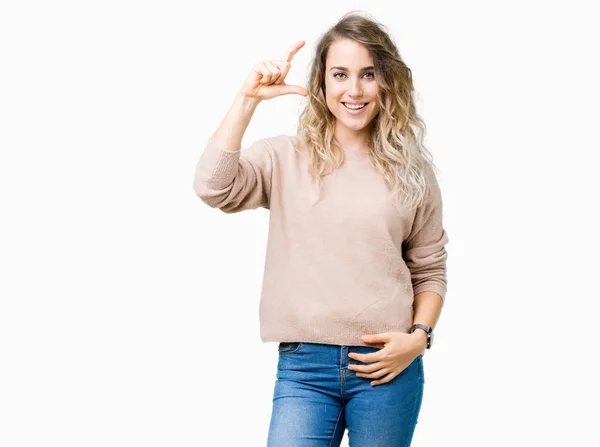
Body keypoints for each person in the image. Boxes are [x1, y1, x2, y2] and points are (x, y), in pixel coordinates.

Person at [193, 11, 449, 447]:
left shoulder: (413, 172)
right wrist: (248, 98)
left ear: (385, 82)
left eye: (368, 74)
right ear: (321, 84)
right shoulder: (283, 158)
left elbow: (430, 270)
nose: (354, 89)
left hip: (387, 367)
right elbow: (213, 187)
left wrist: (417, 340)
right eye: (340, 74)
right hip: (304, 369)